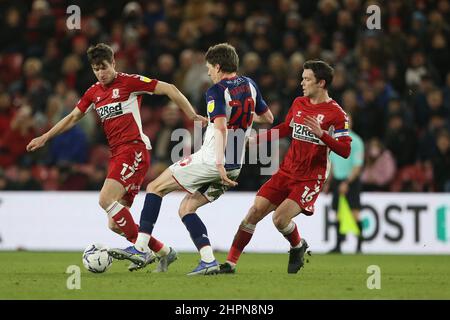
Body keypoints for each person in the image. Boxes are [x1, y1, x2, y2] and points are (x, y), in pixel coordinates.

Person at [26, 43, 206, 271]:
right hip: (118, 154)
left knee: (104, 199)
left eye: (104, 67)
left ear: (114, 63)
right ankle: (164, 251)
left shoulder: (129, 82)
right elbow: (73, 117)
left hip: (133, 151)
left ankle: (141, 251)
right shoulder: (93, 92)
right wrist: (45, 136)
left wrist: (192, 114)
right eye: (96, 69)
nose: (101, 73)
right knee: (115, 224)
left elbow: (169, 88)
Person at [108, 43, 274, 275]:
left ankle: (141, 248)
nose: (208, 72)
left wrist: (218, 164)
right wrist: (243, 119)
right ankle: (208, 260)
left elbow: (221, 128)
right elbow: (268, 117)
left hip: (212, 161)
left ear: (218, 66)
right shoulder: (250, 85)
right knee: (187, 208)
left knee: (155, 187)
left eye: (209, 68)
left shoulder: (215, 91)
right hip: (236, 165)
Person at [219, 60, 352, 274]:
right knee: (254, 212)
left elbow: (345, 151)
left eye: (307, 79)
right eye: (302, 78)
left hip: (310, 178)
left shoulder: (337, 114)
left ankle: (297, 245)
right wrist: (258, 139)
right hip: (286, 171)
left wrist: (322, 134)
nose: (302, 83)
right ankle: (230, 263)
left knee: (279, 219)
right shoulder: (299, 102)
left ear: (322, 83)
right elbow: (286, 128)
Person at [326, 113, 365, 254]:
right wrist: (328, 183)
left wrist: (347, 182)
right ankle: (338, 246)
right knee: (337, 214)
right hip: (337, 180)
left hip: (351, 182)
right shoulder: (333, 140)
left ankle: (359, 246)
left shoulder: (356, 141)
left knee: (355, 214)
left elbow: (357, 166)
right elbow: (333, 164)